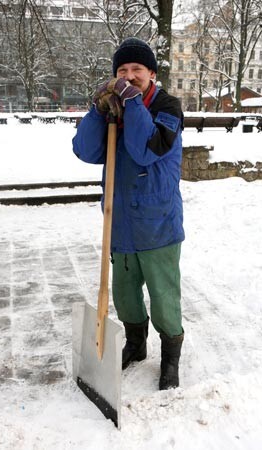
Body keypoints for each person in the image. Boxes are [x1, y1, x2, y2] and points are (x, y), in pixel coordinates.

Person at [72, 37, 185, 390]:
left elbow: (144, 150)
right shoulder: (111, 109)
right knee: (124, 295)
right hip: (119, 223)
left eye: (137, 69)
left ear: (152, 73)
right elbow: (85, 150)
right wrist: (96, 110)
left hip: (157, 224)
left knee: (164, 296)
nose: (129, 76)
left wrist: (133, 104)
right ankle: (136, 345)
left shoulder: (167, 107)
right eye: (122, 71)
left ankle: (170, 356)